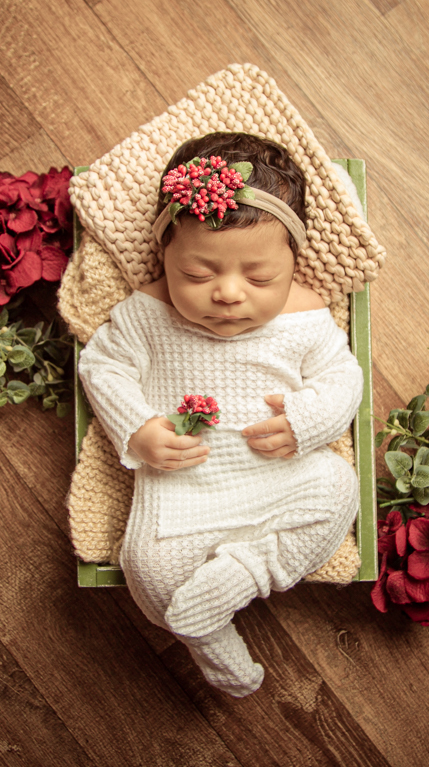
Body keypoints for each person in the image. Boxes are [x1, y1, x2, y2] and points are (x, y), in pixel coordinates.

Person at [77, 132, 363, 697]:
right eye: (198, 275)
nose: (228, 294)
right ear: (165, 256)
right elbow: (102, 366)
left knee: (337, 487)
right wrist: (137, 429)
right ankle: (209, 637)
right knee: (149, 574)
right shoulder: (146, 316)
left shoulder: (306, 319)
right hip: (183, 492)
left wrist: (310, 421)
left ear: (293, 262)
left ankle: (246, 572)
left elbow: (343, 379)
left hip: (278, 481)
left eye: (260, 279)